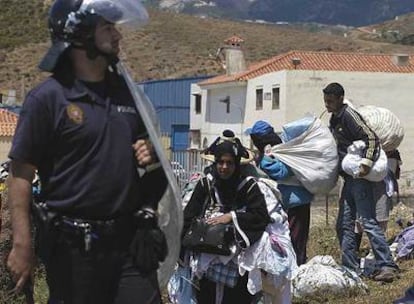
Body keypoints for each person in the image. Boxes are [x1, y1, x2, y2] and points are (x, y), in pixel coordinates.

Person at [6, 0, 169, 303]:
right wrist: (22, 243)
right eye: (108, 27)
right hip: (73, 250)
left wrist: (152, 160)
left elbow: (152, 167)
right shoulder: (47, 99)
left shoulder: (129, 95)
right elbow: (21, 175)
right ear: (79, 33)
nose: (118, 36)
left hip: (129, 244)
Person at [182, 130, 271, 304]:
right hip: (206, 256)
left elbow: (261, 216)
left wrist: (232, 217)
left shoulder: (248, 187)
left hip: (237, 259)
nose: (224, 167)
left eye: (229, 163)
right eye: (220, 162)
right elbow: (189, 214)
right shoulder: (205, 184)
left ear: (237, 164)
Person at [323, 82, 399, 282]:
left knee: (368, 222)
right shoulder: (334, 118)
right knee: (344, 224)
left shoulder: (350, 116)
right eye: (325, 101)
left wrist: (365, 163)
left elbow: (372, 139)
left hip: (359, 178)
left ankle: (386, 265)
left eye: (330, 101)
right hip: (349, 179)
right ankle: (350, 267)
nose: (327, 105)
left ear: (340, 98)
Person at [246, 120, 313, 266]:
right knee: (288, 238)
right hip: (292, 200)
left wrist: (263, 161)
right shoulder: (281, 147)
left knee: (295, 240)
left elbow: (281, 171)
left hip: (296, 201)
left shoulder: (277, 151)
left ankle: (295, 271)